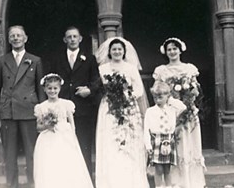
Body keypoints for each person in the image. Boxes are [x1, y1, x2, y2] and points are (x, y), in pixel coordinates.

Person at [0, 25, 46, 188]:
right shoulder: (2, 61)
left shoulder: (35, 60)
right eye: (12, 36)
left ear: (25, 38)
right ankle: (12, 185)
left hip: (29, 111)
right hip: (8, 111)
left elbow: (39, 87)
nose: (16, 38)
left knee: (31, 152)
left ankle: (33, 183)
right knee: (10, 153)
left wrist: (42, 111)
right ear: (9, 39)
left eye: (19, 35)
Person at [95, 37, 149, 188]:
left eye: (120, 49)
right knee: (111, 141)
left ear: (124, 51)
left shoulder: (130, 68)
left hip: (128, 108)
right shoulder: (102, 69)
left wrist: (126, 96)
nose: (117, 52)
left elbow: (138, 89)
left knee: (129, 140)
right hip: (109, 108)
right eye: (114, 49)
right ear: (109, 52)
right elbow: (98, 88)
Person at [152, 37, 206, 188]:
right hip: (169, 112)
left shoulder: (189, 69)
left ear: (180, 49)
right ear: (165, 52)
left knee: (188, 144)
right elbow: (157, 92)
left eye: (174, 48)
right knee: (173, 144)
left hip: (188, 112)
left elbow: (197, 90)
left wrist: (189, 98)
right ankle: (174, 182)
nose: (172, 52)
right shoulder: (161, 71)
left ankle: (190, 181)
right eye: (169, 49)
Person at [50, 26, 101, 176]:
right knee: (64, 144)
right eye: (69, 37)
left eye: (75, 36)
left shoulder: (90, 58)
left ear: (80, 39)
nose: (72, 39)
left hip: (83, 108)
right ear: (65, 40)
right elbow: (52, 79)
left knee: (84, 144)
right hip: (62, 107)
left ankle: (85, 179)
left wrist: (89, 90)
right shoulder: (57, 58)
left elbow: (97, 80)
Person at [33, 73, 94, 188]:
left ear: (60, 88)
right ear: (44, 89)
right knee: (49, 163)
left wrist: (72, 138)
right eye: (49, 88)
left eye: (55, 88)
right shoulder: (41, 107)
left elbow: (72, 123)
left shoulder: (66, 104)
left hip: (64, 137)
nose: (52, 91)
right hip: (48, 138)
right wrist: (47, 125)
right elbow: (38, 127)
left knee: (66, 163)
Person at [144, 82, 186, 188]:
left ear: (167, 96)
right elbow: (146, 130)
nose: (157, 100)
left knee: (167, 169)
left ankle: (168, 186)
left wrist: (170, 99)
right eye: (155, 97)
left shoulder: (172, 109)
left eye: (160, 97)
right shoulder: (150, 111)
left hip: (168, 140)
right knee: (158, 169)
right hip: (156, 140)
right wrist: (148, 145)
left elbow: (183, 107)